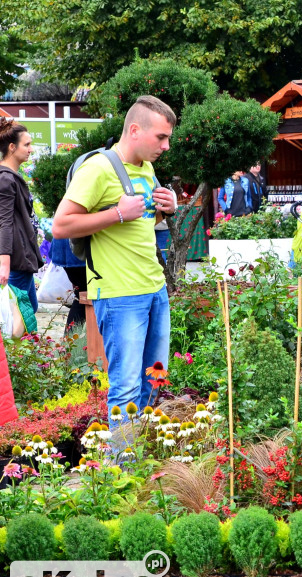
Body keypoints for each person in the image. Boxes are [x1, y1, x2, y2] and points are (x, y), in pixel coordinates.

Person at [52, 95, 179, 421]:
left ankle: (148, 459)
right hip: (119, 295)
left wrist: (167, 209)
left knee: (155, 379)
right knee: (125, 388)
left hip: (154, 290)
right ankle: (125, 468)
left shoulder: (146, 168)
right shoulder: (99, 168)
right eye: (161, 137)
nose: (166, 146)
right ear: (135, 130)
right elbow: (61, 225)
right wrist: (117, 213)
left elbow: (144, 224)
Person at [0, 119, 44, 314]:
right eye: (26, 144)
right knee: (18, 319)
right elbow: (4, 222)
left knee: (28, 311)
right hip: (15, 261)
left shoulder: (10, 176)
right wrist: (4, 264)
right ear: (12, 147)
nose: (31, 149)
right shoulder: (5, 178)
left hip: (21, 260)